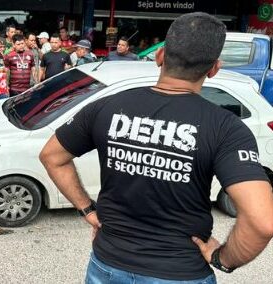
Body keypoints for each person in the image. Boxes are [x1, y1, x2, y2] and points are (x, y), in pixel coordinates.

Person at [39, 12, 273, 283]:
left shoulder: (108, 106)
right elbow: (262, 221)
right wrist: (223, 258)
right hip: (180, 272)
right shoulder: (226, 128)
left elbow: (52, 156)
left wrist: (87, 210)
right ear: (214, 69)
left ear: (160, 56)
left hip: (107, 266)